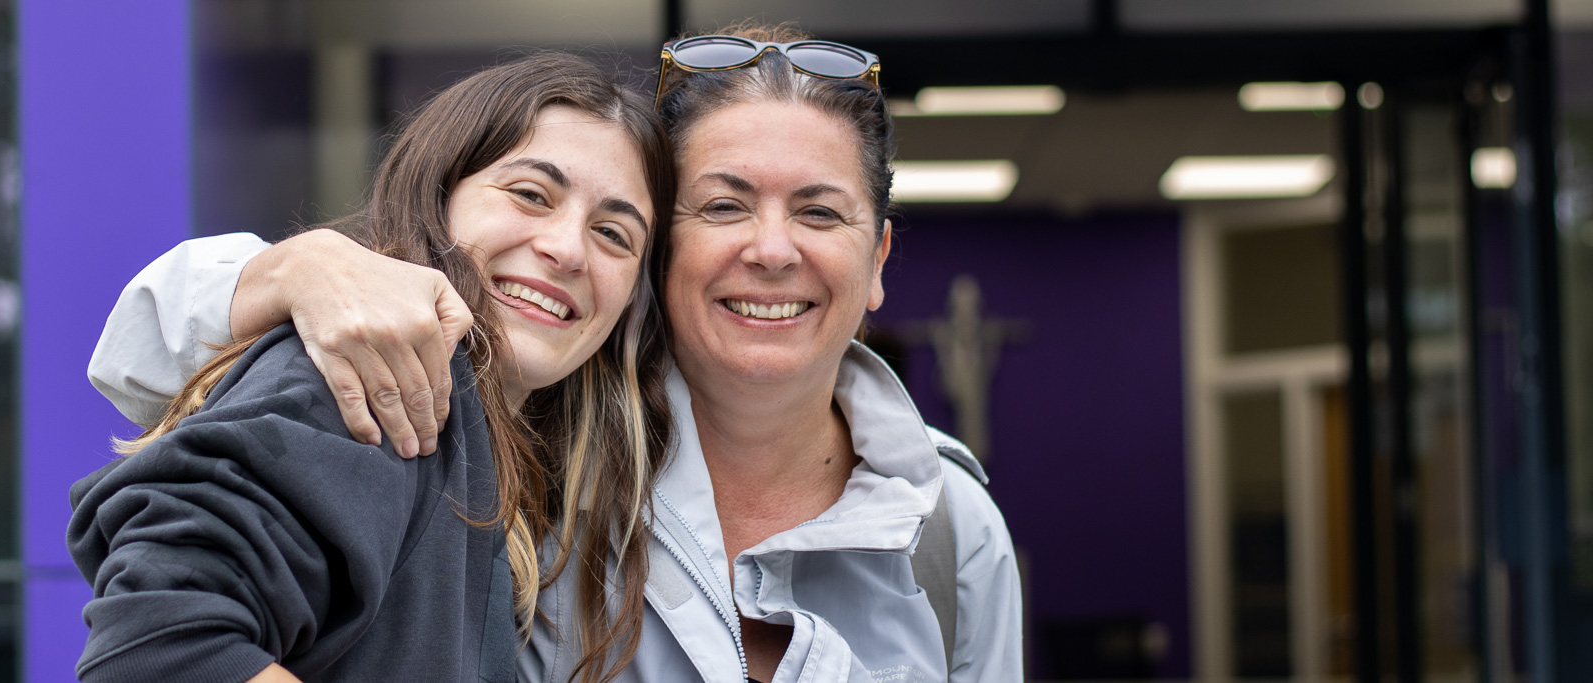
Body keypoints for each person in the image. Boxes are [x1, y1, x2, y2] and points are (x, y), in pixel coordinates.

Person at [89, 24, 1024, 683]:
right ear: (667, 258)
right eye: (726, 205)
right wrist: (303, 273)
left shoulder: (949, 532)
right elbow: (141, 366)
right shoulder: (513, 421)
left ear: (878, 263)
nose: (772, 248)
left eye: (819, 211)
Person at [67, 52, 674, 683]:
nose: (568, 248)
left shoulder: (503, 457)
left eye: (614, 234)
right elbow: (155, 647)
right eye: (530, 194)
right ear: (437, 193)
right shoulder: (378, 385)